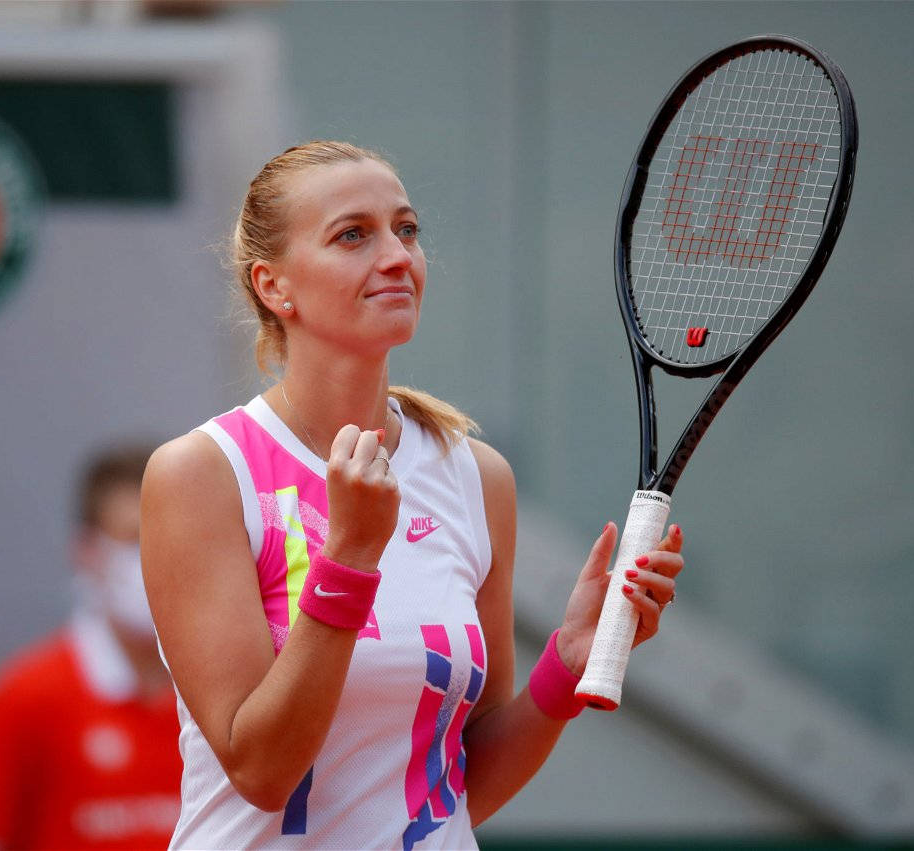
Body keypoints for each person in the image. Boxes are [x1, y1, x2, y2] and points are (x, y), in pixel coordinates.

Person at [141, 141, 684, 850]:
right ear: (275, 286)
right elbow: (261, 768)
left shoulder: (477, 476)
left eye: (407, 229)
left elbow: (461, 787)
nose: (398, 256)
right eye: (353, 235)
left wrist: (568, 666)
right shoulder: (201, 473)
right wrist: (352, 555)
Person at [0, 444, 183, 851]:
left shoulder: (234, 690)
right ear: (87, 551)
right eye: (136, 538)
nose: (161, 556)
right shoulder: (23, 697)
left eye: (177, 536)